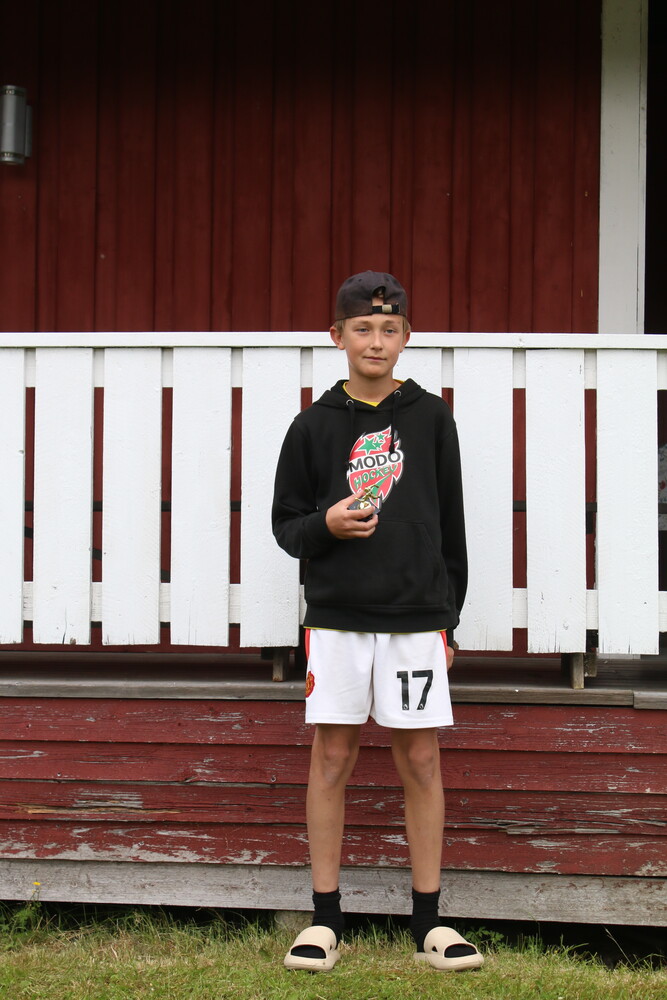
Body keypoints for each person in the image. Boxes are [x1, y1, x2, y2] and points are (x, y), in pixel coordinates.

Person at [271, 271, 483, 973]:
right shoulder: (312, 425)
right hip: (337, 618)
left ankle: (429, 921)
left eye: (389, 329)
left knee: (419, 759)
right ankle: (324, 919)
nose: (375, 340)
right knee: (332, 756)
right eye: (362, 328)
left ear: (406, 337)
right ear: (336, 336)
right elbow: (286, 526)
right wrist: (326, 524)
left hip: (415, 618)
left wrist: (448, 621)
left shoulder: (431, 417)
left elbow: (451, 526)